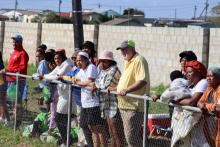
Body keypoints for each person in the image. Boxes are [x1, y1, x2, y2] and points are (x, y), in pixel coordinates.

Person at [115, 40, 150, 147]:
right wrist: (116, 88)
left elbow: (142, 81)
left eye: (125, 49)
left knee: (131, 137)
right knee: (129, 137)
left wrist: (126, 90)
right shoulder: (128, 61)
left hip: (134, 106)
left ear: (132, 48)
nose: (122, 51)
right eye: (121, 49)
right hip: (124, 104)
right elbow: (128, 80)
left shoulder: (139, 60)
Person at [171, 60, 209, 147]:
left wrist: (175, 101)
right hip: (196, 124)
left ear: (198, 73)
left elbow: (191, 101)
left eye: (190, 72)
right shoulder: (193, 85)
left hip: (204, 123)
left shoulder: (203, 82)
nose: (187, 74)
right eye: (186, 72)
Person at [39, 49, 73, 146]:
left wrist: (43, 77)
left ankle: (67, 139)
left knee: (59, 118)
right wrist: (42, 76)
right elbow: (52, 74)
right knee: (61, 119)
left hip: (67, 95)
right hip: (62, 94)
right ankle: (66, 139)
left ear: (62, 57)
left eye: (58, 58)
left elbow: (57, 76)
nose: (56, 60)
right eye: (55, 58)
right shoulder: (60, 65)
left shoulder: (66, 64)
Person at [74, 51, 107, 147]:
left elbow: (91, 81)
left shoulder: (91, 67)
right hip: (85, 103)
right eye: (77, 61)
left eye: (80, 60)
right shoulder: (81, 70)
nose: (78, 62)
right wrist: (80, 82)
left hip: (93, 103)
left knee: (98, 129)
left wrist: (80, 83)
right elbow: (75, 79)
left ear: (86, 60)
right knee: (85, 125)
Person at [94, 50, 125, 147]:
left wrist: (98, 86)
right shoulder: (102, 70)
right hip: (105, 104)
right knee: (111, 132)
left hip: (114, 105)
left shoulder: (114, 69)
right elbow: (97, 82)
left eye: (105, 61)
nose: (102, 63)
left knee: (117, 133)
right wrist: (98, 85)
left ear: (110, 61)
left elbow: (106, 84)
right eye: (101, 61)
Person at [0, 34, 29, 126]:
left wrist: (9, 70)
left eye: (15, 41)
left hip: (18, 81)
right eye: (13, 41)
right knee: (10, 101)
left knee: (17, 102)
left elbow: (22, 67)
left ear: (20, 42)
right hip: (10, 80)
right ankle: (10, 121)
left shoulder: (23, 53)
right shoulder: (14, 52)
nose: (13, 43)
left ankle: (17, 123)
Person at [198, 66, 220, 147]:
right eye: (207, 76)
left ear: (218, 78)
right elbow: (200, 102)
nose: (208, 78)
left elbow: (218, 108)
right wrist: (202, 105)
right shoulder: (209, 88)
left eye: (211, 76)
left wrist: (206, 106)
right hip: (211, 125)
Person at [0, 51, 9, 125]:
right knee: (2, 101)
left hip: (1, 83)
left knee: (2, 101)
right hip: (2, 82)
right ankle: (5, 118)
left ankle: (3, 117)